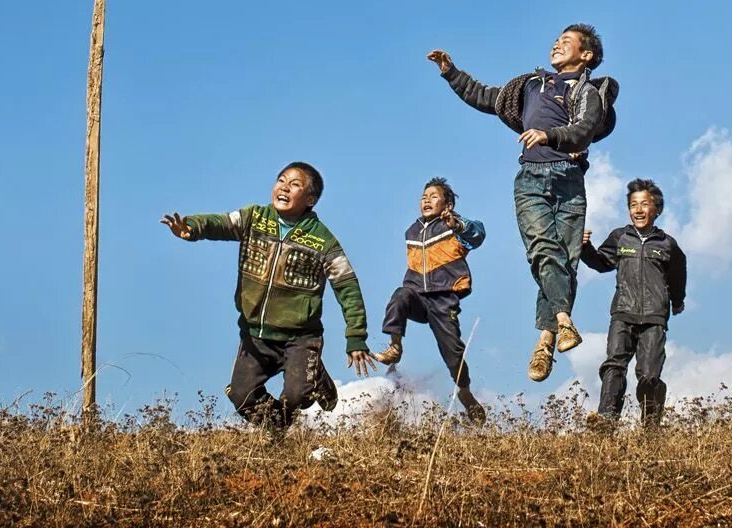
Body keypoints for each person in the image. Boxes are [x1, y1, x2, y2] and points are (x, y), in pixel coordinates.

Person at [427, 24, 619, 382]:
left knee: (565, 260)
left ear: (587, 55)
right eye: (556, 40)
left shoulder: (588, 91)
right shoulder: (531, 85)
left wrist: (549, 135)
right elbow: (487, 97)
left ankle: (545, 340)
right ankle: (562, 321)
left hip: (569, 179)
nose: (557, 44)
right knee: (543, 250)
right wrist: (451, 73)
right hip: (531, 177)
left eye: (567, 41)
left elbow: (583, 131)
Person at [161, 161, 375, 433]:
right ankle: (279, 430)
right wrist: (192, 227)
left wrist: (356, 336)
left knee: (296, 395)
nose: (284, 187)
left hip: (300, 337)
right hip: (255, 335)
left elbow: (347, 286)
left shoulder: (323, 241)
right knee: (242, 397)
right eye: (281, 180)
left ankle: (314, 376)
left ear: (310, 200)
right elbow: (222, 223)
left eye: (294, 184)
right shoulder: (254, 218)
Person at [370, 177, 489, 422]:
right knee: (399, 295)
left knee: (453, 352)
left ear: (447, 205)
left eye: (434, 196)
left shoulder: (453, 227)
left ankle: (465, 393)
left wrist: (457, 224)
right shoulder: (411, 231)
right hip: (417, 296)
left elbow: (478, 235)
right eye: (424, 196)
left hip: (443, 298)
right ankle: (395, 346)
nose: (426, 200)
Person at [580, 178, 686, 426]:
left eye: (644, 204)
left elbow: (678, 274)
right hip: (623, 312)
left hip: (654, 316)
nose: (638, 210)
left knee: (649, 374)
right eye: (633, 205)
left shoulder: (667, 244)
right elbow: (601, 263)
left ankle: (651, 424)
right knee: (614, 365)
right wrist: (585, 248)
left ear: (656, 209)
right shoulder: (620, 237)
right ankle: (606, 419)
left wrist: (678, 301)